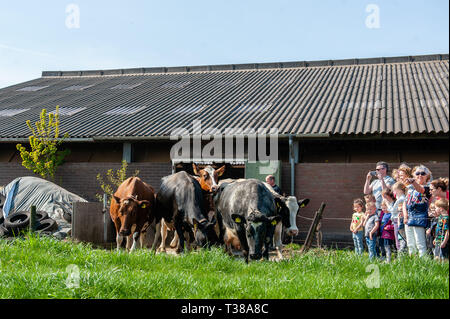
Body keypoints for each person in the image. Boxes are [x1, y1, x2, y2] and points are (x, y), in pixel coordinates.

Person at [403, 165, 432, 257]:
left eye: (423, 173)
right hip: (409, 217)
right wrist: (405, 216)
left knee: (420, 242)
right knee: (410, 243)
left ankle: (423, 262)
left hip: (419, 217)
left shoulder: (428, 187)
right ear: (414, 175)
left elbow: (421, 190)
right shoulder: (410, 188)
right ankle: (413, 262)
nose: (420, 175)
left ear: (427, 176)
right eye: (417, 173)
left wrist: (413, 182)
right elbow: (405, 202)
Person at [388, 182, 407, 253]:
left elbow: (392, 210)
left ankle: (401, 253)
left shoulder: (401, 199)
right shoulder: (400, 198)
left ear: (399, 190)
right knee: (398, 239)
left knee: (399, 239)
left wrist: (388, 202)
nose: (393, 192)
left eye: (394, 190)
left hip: (398, 220)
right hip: (397, 220)